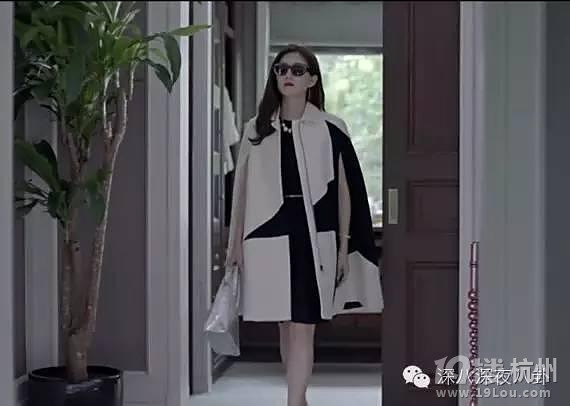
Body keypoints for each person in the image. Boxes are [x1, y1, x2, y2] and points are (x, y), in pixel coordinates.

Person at [225, 44, 383, 406]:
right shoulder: (256, 129)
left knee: (303, 324)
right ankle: (298, 397)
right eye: (281, 69)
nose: (288, 76)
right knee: (284, 323)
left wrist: (344, 247)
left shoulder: (330, 128)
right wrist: (235, 246)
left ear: (312, 79)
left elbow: (345, 193)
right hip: (267, 236)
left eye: (297, 70)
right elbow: (242, 193)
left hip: (315, 237)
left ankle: (295, 401)